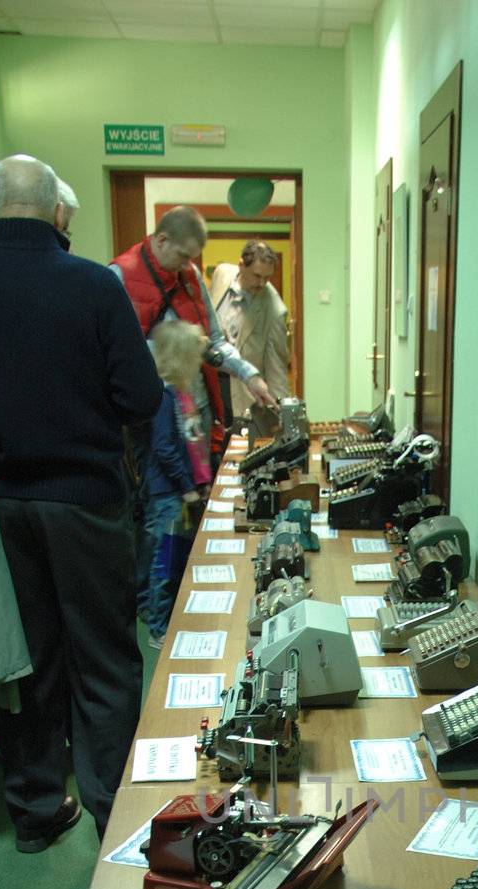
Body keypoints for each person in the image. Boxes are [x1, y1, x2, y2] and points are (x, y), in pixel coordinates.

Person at [0, 153, 164, 850]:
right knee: (105, 663)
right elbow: (140, 397)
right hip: (86, 504)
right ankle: (114, 822)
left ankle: (38, 812)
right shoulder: (93, 286)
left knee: (26, 661)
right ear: (55, 211)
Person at [110, 206, 276, 460]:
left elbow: (215, 342)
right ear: (162, 240)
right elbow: (115, 358)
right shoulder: (118, 276)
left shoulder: (190, 274)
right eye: (183, 256)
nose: (187, 266)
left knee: (204, 491)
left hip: (198, 411)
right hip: (151, 420)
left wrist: (250, 376)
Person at [140, 319, 210, 647]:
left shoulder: (180, 396)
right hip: (169, 495)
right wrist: (186, 486)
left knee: (177, 557)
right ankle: (158, 628)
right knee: (165, 561)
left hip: (180, 493)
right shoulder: (163, 399)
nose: (199, 364)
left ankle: (171, 617)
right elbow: (165, 448)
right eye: (195, 358)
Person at [210, 240, 289, 428]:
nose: (262, 283)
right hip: (208, 381)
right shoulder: (221, 273)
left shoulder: (275, 310)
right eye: (257, 276)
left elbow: (276, 369)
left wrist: (282, 415)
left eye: (267, 278)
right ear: (241, 266)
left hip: (239, 393)